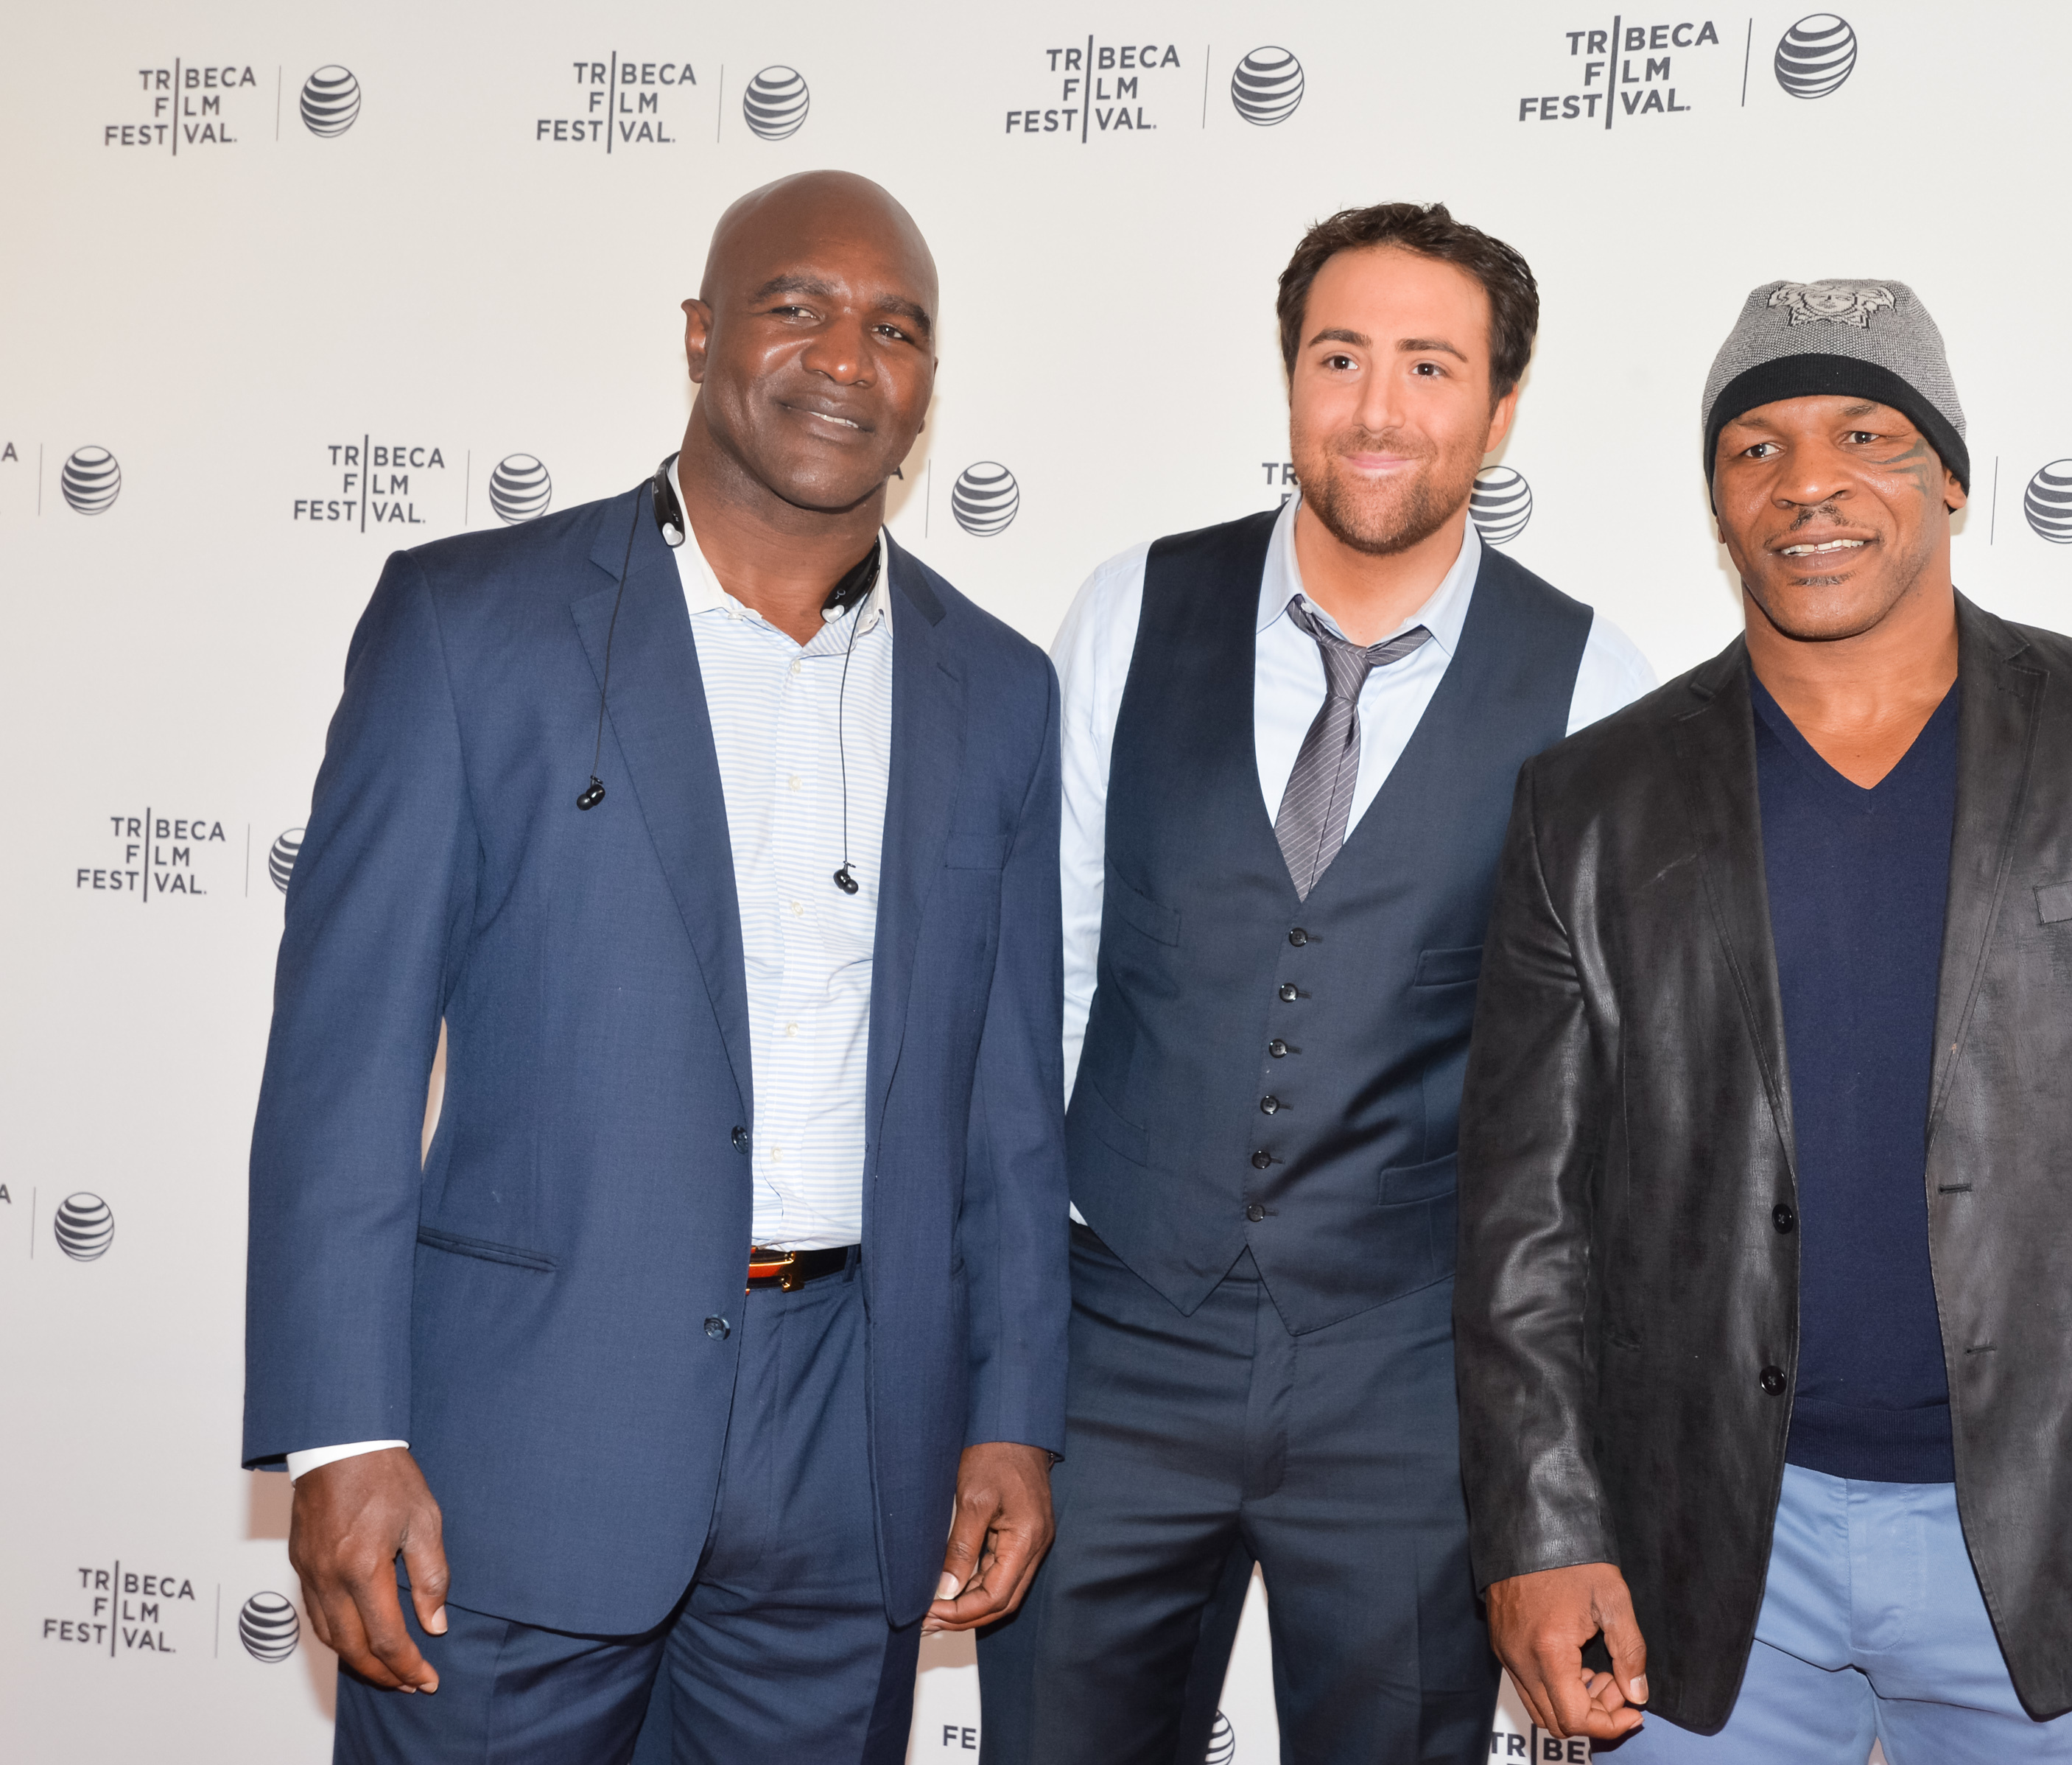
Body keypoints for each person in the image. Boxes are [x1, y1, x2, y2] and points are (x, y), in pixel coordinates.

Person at [1455, 279, 2072, 1758]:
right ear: (1716, 504)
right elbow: (1522, 1213)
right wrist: (1539, 1523)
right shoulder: (1592, 803)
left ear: (1950, 474)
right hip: (1705, 1558)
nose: (1808, 483)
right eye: (1755, 448)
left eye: (1866, 433)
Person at [242, 171, 1067, 1762]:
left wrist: (1012, 1409)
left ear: (929, 386)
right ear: (700, 335)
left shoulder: (999, 691)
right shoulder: (470, 627)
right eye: (797, 306)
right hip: (522, 1446)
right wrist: (344, 1430)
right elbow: (342, 1065)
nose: (847, 357)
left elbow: (1009, 1106)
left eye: (897, 329)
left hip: (856, 1443)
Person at [974, 203, 1654, 1762]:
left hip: (1412, 1373)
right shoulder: (1129, 607)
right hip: (1116, 1343)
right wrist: (1002, 1370)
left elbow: (1595, 1100)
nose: (1377, 408)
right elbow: (1041, 994)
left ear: (1499, 404)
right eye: (1341, 357)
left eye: (1431, 366)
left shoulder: (1594, 680)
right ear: (1288, 378)